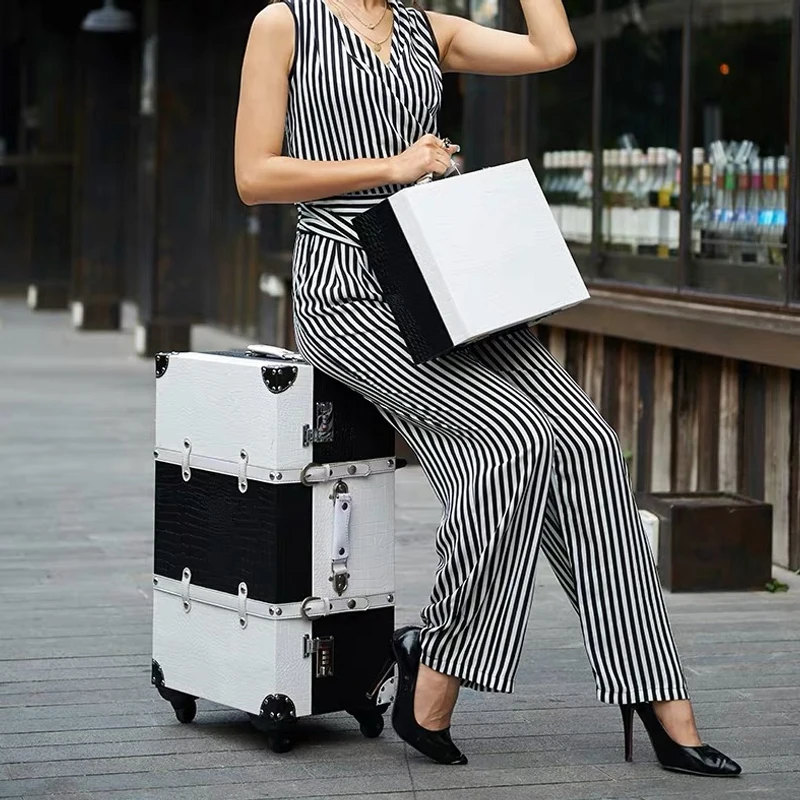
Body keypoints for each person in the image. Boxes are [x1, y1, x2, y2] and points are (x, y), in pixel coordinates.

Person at [234, 0, 741, 777]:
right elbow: (254, 175)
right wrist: (394, 168)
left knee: (587, 441)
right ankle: (434, 668)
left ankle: (660, 695)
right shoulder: (286, 22)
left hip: (444, 274)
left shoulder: (425, 27)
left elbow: (554, 46)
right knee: (512, 441)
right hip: (348, 292)